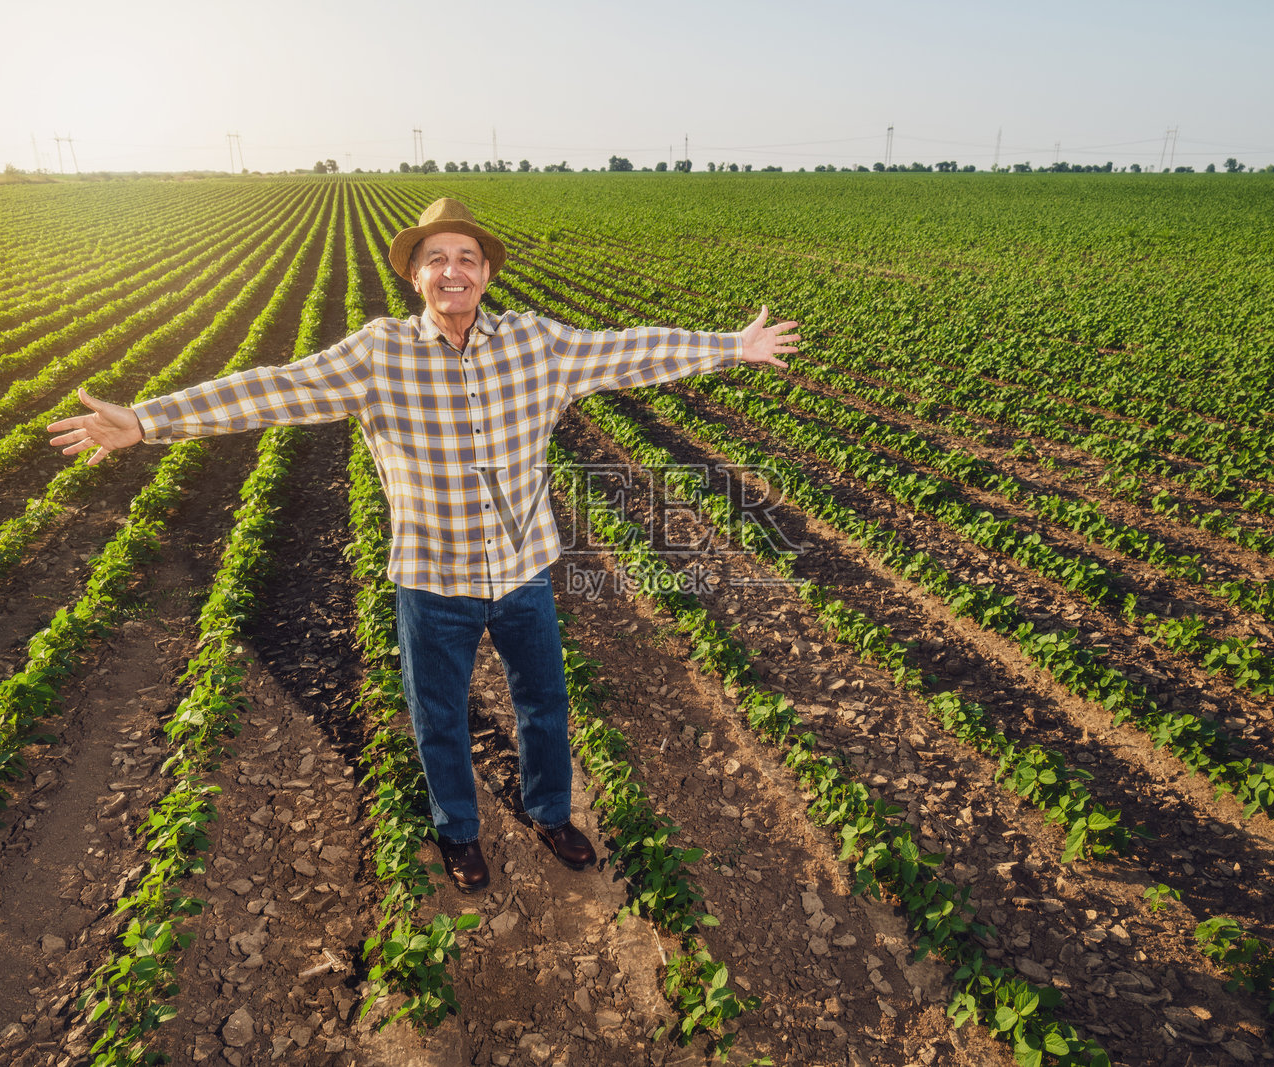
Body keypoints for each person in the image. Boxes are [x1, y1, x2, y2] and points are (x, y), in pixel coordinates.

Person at [47, 196, 799, 893]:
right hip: (431, 580)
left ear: (486, 273)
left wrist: (732, 344)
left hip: (522, 570)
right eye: (436, 258)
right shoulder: (377, 356)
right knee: (437, 713)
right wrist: (147, 421)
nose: (452, 270)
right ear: (415, 276)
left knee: (544, 705)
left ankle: (549, 812)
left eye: (466, 257)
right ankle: (458, 830)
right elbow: (271, 388)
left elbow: (631, 350)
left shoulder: (536, 343)